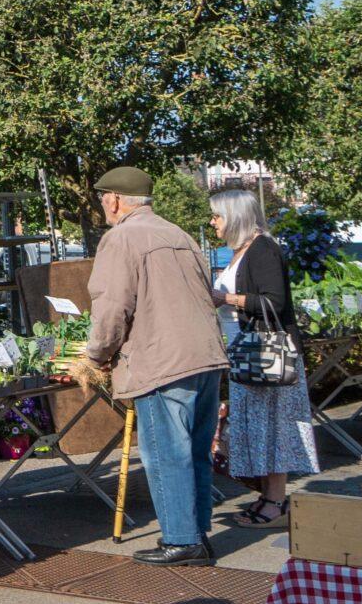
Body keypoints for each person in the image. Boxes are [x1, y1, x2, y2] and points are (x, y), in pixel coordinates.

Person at [60, 166, 228, 565]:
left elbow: (113, 307)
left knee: (167, 453)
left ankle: (182, 540)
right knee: (195, 451)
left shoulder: (120, 238)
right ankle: (195, 534)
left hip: (161, 360)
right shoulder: (179, 234)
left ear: (115, 199)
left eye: (103, 198)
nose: (103, 205)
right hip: (205, 355)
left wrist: (95, 357)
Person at [210, 188, 315, 528]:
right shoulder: (243, 250)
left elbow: (274, 302)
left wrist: (227, 299)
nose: (213, 223)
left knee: (274, 429)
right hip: (250, 354)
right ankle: (269, 498)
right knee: (261, 429)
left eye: (217, 216)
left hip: (268, 355)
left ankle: (276, 502)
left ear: (234, 217)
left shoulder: (263, 249)